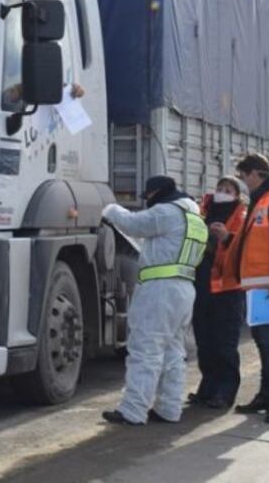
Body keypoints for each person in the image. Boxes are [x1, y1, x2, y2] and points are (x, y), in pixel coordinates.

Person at [101, 176, 208, 426]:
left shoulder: (166, 212)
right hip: (183, 290)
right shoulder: (193, 216)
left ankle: (133, 411)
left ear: (156, 193)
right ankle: (169, 408)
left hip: (160, 290)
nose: (147, 201)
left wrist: (110, 208)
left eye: (148, 196)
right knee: (173, 352)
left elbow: (133, 224)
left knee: (144, 350)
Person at [214, 153, 269, 425]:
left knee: (268, 341)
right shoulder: (261, 199)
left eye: (243, 176)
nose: (242, 182)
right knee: (263, 341)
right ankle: (266, 395)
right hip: (259, 284)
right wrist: (228, 238)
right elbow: (253, 240)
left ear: (255, 174)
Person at [189, 176, 247, 409]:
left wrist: (226, 237)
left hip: (228, 289)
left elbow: (247, 248)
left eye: (228, 190)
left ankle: (225, 392)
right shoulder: (203, 212)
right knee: (205, 341)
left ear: (237, 195)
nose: (223, 193)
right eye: (220, 189)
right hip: (202, 287)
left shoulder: (242, 216)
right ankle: (207, 388)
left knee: (225, 343)